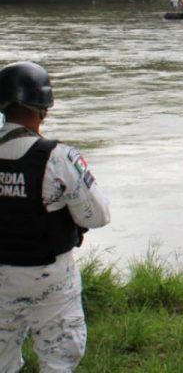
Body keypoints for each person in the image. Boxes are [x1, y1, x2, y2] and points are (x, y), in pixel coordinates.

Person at [0, 61, 111, 372]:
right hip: (50, 280)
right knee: (59, 359)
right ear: (43, 109)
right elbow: (97, 216)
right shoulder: (59, 158)